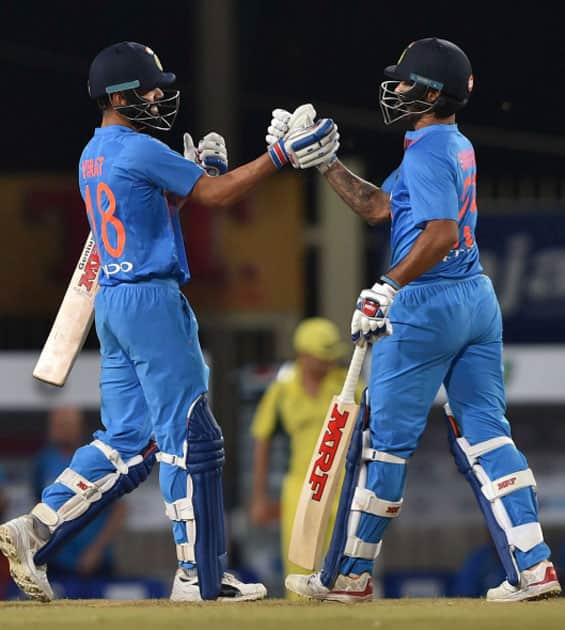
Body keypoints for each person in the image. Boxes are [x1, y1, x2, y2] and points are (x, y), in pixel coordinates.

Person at [0, 41, 338, 603]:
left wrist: (193, 177)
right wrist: (279, 158)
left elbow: (155, 208)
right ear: (121, 95)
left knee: (125, 440)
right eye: (150, 88)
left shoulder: (93, 153)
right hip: (153, 302)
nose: (159, 96)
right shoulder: (138, 147)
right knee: (190, 435)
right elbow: (220, 196)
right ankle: (199, 577)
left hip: (112, 300)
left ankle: (32, 529)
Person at [270, 37, 562, 603]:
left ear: (430, 91)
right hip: (475, 298)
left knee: (383, 445)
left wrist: (388, 285)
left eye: (405, 82)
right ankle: (535, 567)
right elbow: (384, 208)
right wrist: (327, 164)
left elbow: (440, 233)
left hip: (425, 304)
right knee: (486, 436)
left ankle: (348, 576)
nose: (396, 90)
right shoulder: (449, 143)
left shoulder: (428, 151)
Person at [249, 318, 363, 596]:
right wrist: (259, 497)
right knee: (299, 568)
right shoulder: (282, 391)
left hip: (346, 485)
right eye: (322, 358)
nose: (329, 363)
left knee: (350, 567)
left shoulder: (352, 387)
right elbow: (261, 440)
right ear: (304, 355)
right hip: (301, 486)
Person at [33, 406, 125, 579]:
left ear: (78, 426)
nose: (59, 430)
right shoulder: (44, 461)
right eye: (56, 425)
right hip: (57, 558)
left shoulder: (99, 458)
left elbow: (119, 509)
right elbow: (37, 504)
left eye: (65, 424)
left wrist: (97, 550)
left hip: (96, 559)